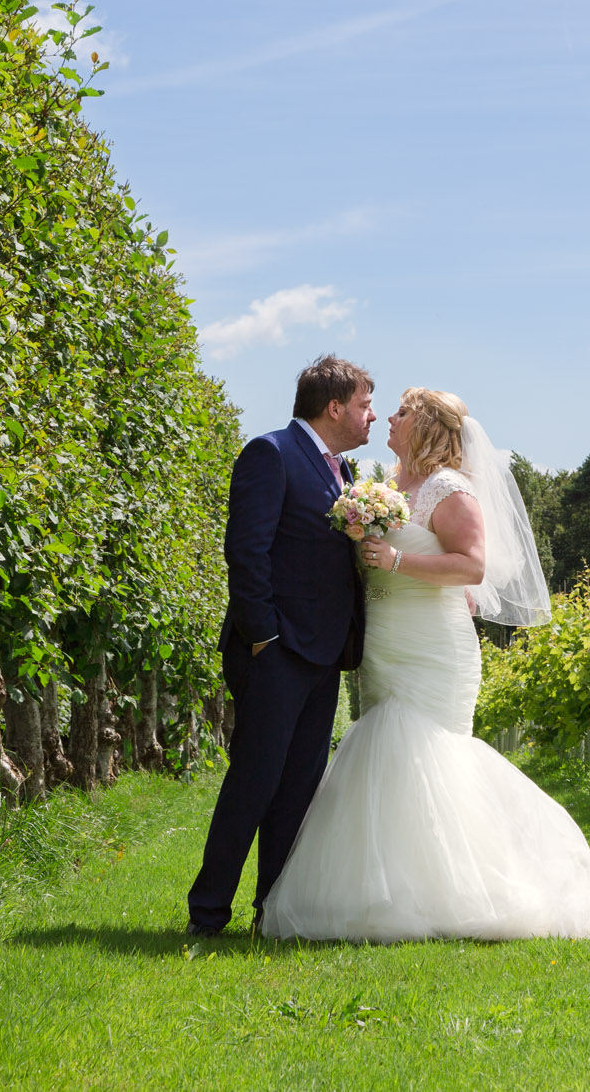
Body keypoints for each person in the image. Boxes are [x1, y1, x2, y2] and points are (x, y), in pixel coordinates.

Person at [260, 387, 590, 941]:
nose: (389, 418)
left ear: (426, 425)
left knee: (428, 753)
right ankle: (396, 887)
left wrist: (398, 558)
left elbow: (472, 566)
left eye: (402, 412)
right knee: (389, 758)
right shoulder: (384, 487)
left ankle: (463, 890)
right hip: (385, 642)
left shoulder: (449, 489)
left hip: (433, 646)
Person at [186, 356, 377, 936]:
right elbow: (246, 552)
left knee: (297, 788)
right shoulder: (270, 453)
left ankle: (273, 908)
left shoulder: (342, 472)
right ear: (335, 407)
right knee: (254, 782)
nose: (371, 416)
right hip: (276, 652)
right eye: (366, 404)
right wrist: (264, 637)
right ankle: (208, 912)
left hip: (323, 655)